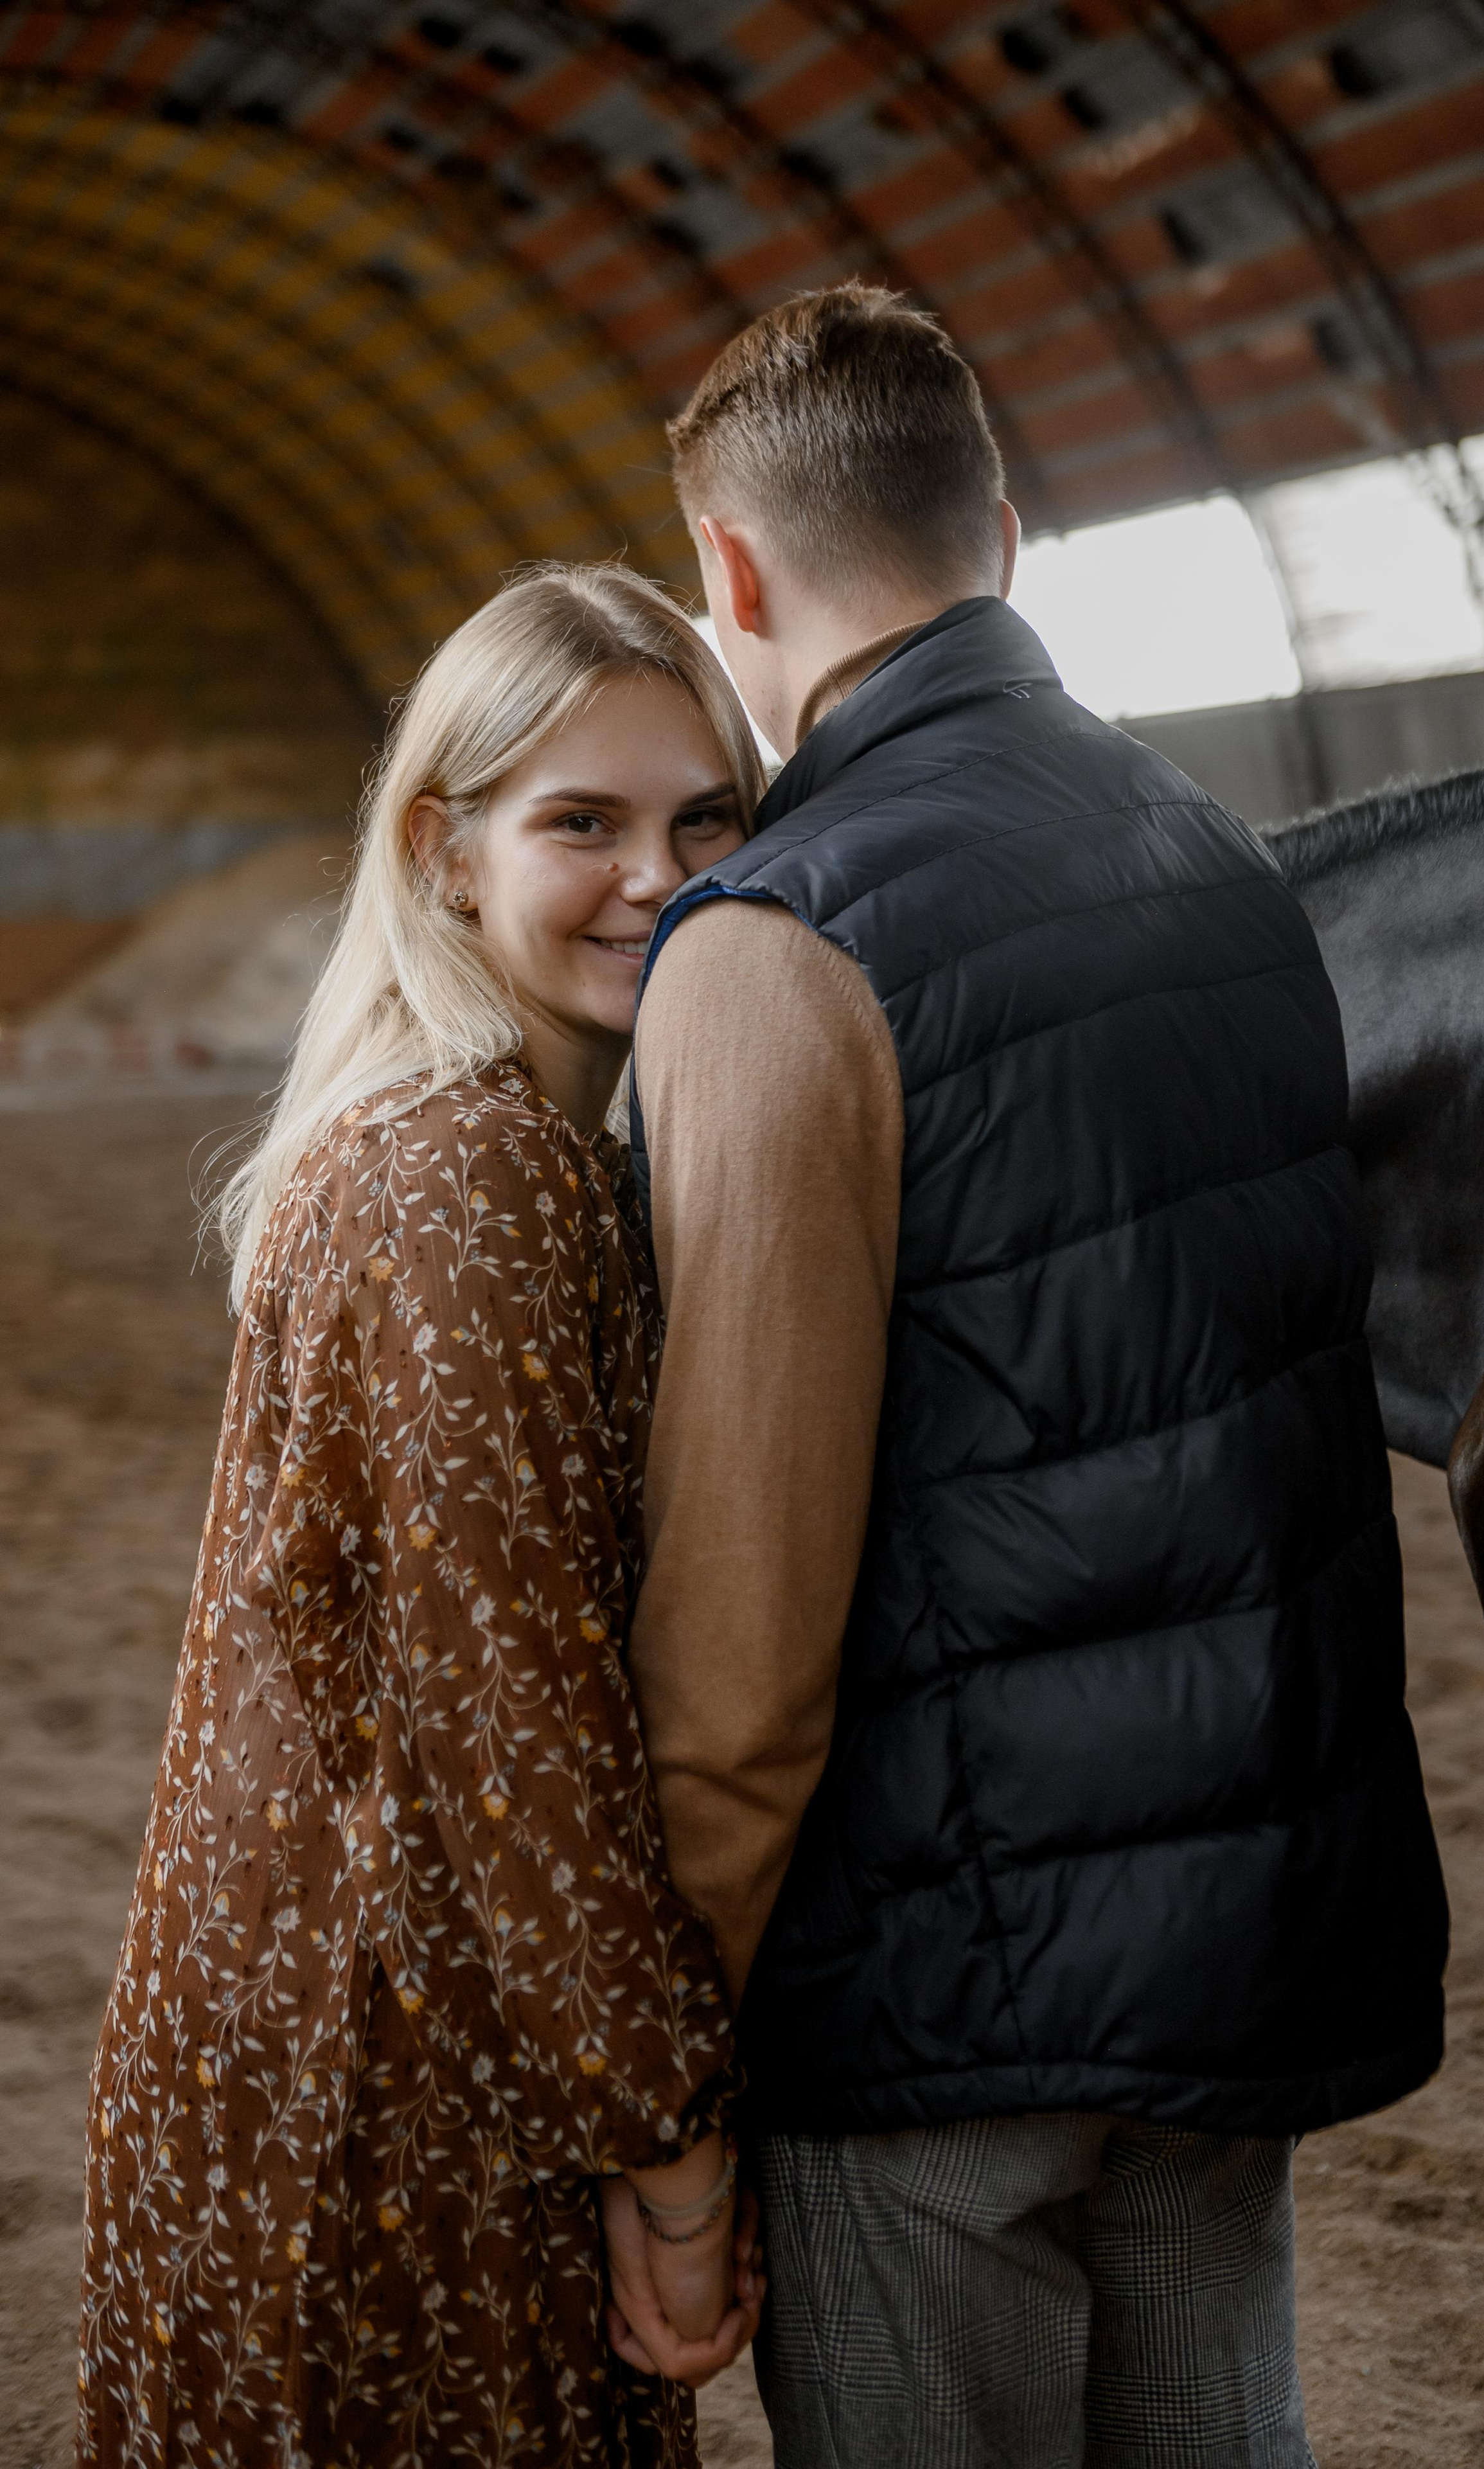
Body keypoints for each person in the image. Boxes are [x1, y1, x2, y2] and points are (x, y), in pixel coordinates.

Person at [623, 285, 1451, 2466]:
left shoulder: (782, 943)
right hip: (1239, 1951)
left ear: (726, 571)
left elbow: (743, 1640)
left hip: (929, 2005)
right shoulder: (1225, 863)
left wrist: (667, 2058)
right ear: (1001, 530)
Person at [78, 564, 768, 2468]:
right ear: (443, 854)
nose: (659, 873)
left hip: (326, 2030)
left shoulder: (474, 1138)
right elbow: (515, 1724)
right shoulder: (469, 1181)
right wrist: (675, 2146)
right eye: (584, 824)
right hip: (389, 2107)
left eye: (705, 817)